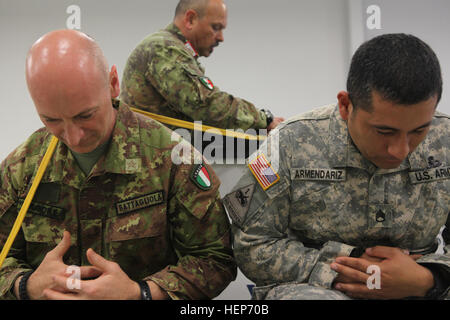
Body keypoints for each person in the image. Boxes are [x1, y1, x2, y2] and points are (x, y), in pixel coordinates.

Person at [0, 29, 236, 300]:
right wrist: (24, 285)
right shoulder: (21, 168)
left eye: (85, 115)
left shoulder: (174, 160)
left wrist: (142, 293)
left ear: (113, 83)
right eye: (51, 120)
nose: (73, 137)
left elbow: (215, 260)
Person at [224, 33, 449, 300]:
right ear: (345, 105)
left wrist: (430, 278)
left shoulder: (445, 139)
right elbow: (251, 245)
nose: (400, 149)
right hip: (319, 286)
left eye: (419, 130)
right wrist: (352, 266)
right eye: (384, 131)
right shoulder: (289, 143)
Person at [120, 0, 284, 132]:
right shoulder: (164, 49)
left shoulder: (172, 49)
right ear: (190, 19)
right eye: (215, 27)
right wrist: (264, 119)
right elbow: (205, 105)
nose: (221, 38)